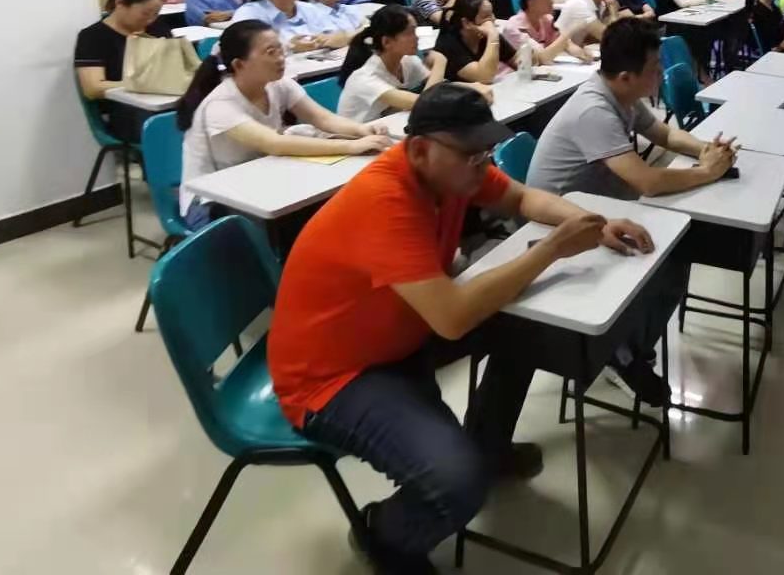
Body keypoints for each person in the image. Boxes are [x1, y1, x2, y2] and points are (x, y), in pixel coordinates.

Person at [267, 85, 659, 573]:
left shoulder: (453, 174)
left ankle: (489, 446)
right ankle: (383, 534)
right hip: (332, 378)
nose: (482, 165)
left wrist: (594, 223)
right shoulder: (385, 200)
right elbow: (451, 317)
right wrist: (551, 250)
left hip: (401, 334)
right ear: (418, 150)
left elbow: (521, 196)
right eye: (471, 155)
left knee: (527, 330)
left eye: (486, 153)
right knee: (457, 481)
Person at [176, 20, 394, 227]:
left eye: (281, 50)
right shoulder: (220, 104)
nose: (281, 58)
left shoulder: (278, 84)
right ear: (239, 64)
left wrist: (361, 130)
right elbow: (275, 144)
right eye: (271, 52)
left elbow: (323, 118)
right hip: (211, 201)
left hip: (258, 182)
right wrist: (351, 145)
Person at [529, 16, 738, 200]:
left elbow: (665, 135)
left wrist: (708, 150)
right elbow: (648, 183)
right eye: (654, 66)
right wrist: (708, 171)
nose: (661, 71)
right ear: (626, 78)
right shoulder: (593, 111)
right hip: (559, 215)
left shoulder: (621, 92)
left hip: (596, 199)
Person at [75, 0, 170, 141]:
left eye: (155, 14)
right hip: (126, 111)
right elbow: (93, 88)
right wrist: (141, 84)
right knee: (167, 128)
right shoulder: (93, 37)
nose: (150, 20)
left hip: (166, 101)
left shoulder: (156, 28)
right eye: (145, 13)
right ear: (120, 3)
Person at [336, 5, 454, 122]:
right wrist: (440, 62)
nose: (416, 37)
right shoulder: (365, 78)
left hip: (386, 127)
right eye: (409, 33)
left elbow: (440, 87)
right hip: (357, 132)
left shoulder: (408, 61)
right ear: (386, 42)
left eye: (415, 31)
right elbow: (422, 103)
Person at [505, 0, 594, 64]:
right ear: (530, 0)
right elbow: (541, 58)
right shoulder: (514, 27)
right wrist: (571, 30)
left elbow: (566, 44)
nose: (552, 0)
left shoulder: (547, 20)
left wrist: (582, 54)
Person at [435, 0, 516, 84]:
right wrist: (493, 37)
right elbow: (484, 77)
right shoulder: (449, 44)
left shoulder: (486, 35)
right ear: (466, 23)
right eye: (487, 16)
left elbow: (518, 61)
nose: (493, 19)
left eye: (492, 14)